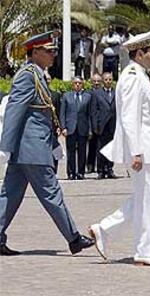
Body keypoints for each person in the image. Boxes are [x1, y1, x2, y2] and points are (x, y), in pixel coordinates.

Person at [0, 31, 94, 256]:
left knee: (10, 195)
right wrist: (5, 146)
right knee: (51, 193)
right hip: (31, 149)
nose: (53, 55)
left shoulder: (37, 74)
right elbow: (15, 110)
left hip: (31, 148)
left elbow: (42, 113)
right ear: (35, 53)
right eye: (49, 51)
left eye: (54, 51)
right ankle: (73, 238)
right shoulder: (27, 75)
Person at [89, 30, 150, 266]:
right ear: (140, 53)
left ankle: (103, 230)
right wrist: (136, 151)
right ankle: (146, 250)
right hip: (141, 149)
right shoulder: (134, 76)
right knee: (148, 200)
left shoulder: (139, 74)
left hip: (146, 148)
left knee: (143, 198)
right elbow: (129, 117)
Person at [60, 77, 92, 180]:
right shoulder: (66, 96)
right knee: (71, 152)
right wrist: (63, 127)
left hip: (83, 127)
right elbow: (62, 113)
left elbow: (90, 114)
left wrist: (90, 129)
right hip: (70, 128)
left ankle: (81, 172)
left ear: (82, 84)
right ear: (72, 84)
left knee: (82, 152)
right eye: (75, 83)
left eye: (79, 83)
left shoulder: (87, 97)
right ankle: (71, 172)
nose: (77, 85)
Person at [91, 72, 116, 179]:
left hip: (113, 125)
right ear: (102, 81)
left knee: (112, 148)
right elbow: (94, 111)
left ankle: (110, 169)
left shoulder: (116, 93)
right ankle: (101, 170)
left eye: (110, 79)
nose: (108, 81)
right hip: (102, 125)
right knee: (101, 148)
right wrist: (95, 125)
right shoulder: (97, 93)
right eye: (106, 79)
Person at [45, 71, 62, 174]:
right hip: (41, 126)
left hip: (53, 127)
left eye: (48, 79)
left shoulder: (55, 95)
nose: (47, 81)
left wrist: (59, 126)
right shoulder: (37, 94)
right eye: (45, 79)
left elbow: (59, 112)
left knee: (54, 149)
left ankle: (54, 170)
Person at [86, 73, 102, 174]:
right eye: (94, 81)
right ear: (91, 82)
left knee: (101, 147)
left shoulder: (102, 93)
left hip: (102, 125)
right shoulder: (88, 94)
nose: (96, 83)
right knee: (91, 147)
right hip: (91, 125)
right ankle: (90, 166)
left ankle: (101, 166)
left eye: (98, 81)